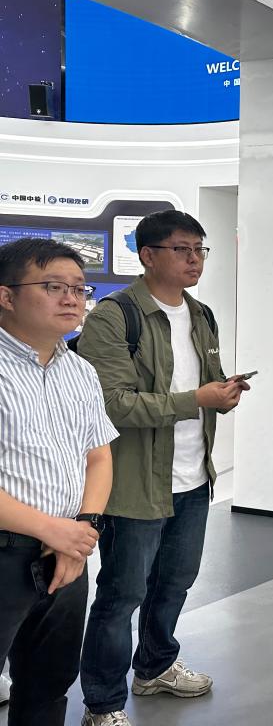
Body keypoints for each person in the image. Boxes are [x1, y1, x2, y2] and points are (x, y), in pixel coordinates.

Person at [76, 210, 249, 726]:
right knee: (121, 595)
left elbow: (206, 380)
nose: (194, 259)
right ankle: (103, 703)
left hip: (193, 478)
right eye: (182, 249)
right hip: (135, 485)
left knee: (174, 583)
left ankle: (154, 667)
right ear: (148, 255)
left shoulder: (201, 314)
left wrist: (224, 391)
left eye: (200, 249)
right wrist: (197, 399)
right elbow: (112, 404)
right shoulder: (114, 316)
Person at [0, 238, 118, 725]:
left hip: (67, 554)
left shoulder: (80, 370)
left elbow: (99, 456)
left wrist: (82, 530)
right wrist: (56, 531)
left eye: (78, 288)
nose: (72, 298)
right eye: (53, 287)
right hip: (9, 549)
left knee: (48, 687)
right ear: (7, 296)